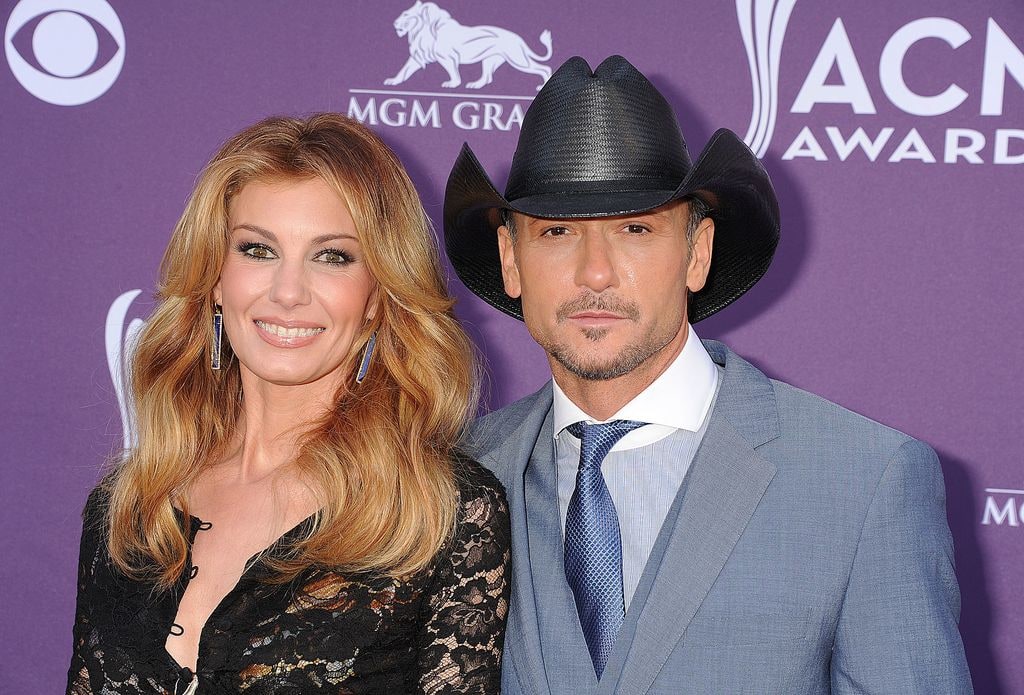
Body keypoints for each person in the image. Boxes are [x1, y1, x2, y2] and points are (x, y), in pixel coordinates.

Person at [443, 55, 971, 694]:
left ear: (698, 253)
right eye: (557, 232)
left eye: (635, 229)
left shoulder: (866, 481)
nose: (594, 272)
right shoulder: (450, 477)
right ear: (511, 260)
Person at [68, 113, 510, 694]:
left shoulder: (442, 514)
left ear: (378, 296)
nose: (288, 292)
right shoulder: (129, 508)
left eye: (332, 257)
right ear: (215, 279)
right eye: (257, 250)